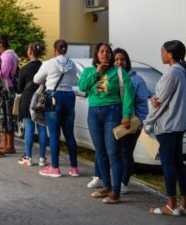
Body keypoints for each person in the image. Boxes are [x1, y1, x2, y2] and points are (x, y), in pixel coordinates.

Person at [78, 42, 134, 204]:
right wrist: (97, 72)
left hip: (113, 112)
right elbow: (83, 87)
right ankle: (107, 187)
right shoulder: (89, 71)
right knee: (100, 152)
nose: (105, 54)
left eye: (108, 52)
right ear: (96, 55)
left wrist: (126, 115)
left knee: (113, 152)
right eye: (102, 51)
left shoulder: (119, 71)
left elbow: (129, 93)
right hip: (94, 113)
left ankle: (116, 192)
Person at [88, 48, 149, 193]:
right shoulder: (107, 74)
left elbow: (141, 103)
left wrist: (138, 121)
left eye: (122, 59)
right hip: (113, 118)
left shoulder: (136, 79)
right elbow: (101, 95)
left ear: (127, 61)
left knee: (124, 152)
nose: (119, 62)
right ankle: (100, 179)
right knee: (106, 150)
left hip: (129, 121)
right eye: (116, 59)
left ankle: (122, 183)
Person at [144, 40, 186, 216]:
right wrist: (156, 98)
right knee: (178, 165)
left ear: (170, 54)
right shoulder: (182, 71)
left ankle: (170, 205)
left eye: (162, 52)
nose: (161, 55)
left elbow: (161, 104)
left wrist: (148, 122)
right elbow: (164, 98)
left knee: (169, 165)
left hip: (168, 125)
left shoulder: (172, 73)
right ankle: (183, 204)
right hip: (178, 124)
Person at [34, 39, 80, 178]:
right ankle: (74, 169)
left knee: (54, 134)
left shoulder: (49, 63)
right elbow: (77, 81)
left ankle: (55, 168)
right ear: (66, 50)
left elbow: (36, 79)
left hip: (53, 97)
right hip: (69, 97)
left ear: (55, 50)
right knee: (69, 135)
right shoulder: (72, 64)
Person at [16, 42, 47, 167]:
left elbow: (19, 89)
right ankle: (42, 159)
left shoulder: (24, 69)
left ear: (30, 52)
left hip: (28, 99)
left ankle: (28, 157)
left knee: (29, 127)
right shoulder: (45, 66)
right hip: (41, 99)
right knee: (42, 127)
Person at [0, 35, 19, 154]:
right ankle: (5, 143)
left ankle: (9, 145)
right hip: (8, 87)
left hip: (6, 89)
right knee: (4, 117)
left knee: (6, 116)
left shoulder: (6, 56)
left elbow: (2, 73)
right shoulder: (10, 55)